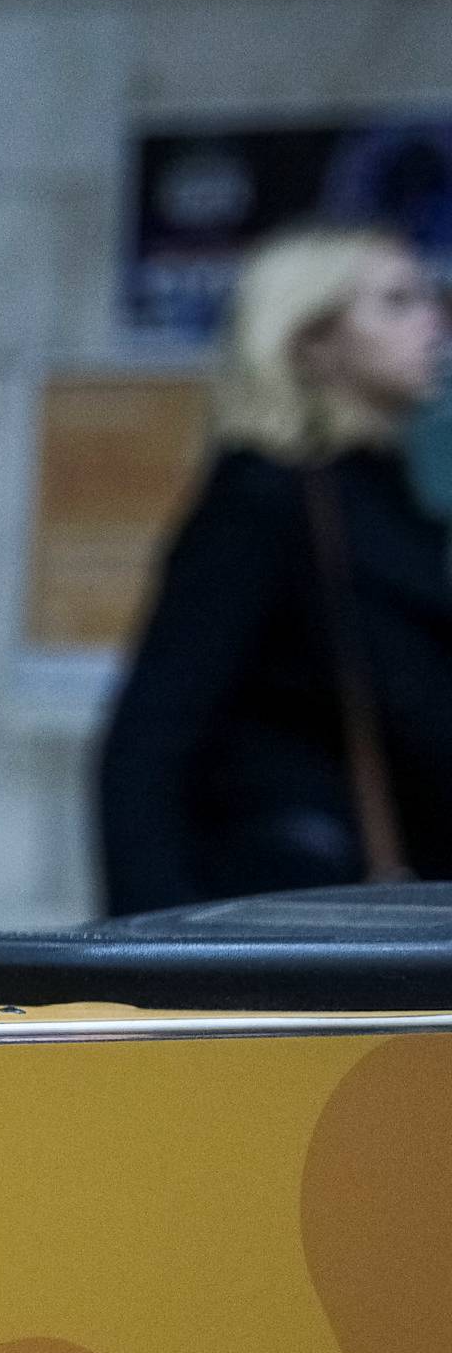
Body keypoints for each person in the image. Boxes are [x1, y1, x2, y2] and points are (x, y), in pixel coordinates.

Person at [98, 226, 451, 914]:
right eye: (396, 301)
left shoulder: (389, 497)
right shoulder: (267, 500)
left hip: (391, 920)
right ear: (313, 343)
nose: (433, 320)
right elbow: (148, 744)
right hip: (291, 918)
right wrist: (152, 948)